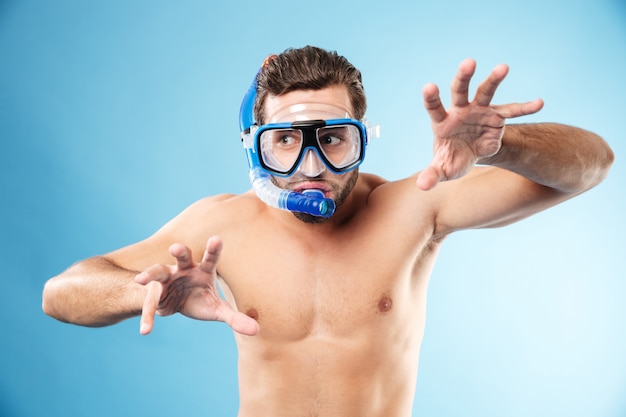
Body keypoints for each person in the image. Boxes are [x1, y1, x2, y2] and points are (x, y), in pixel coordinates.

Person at [42, 46, 614, 417]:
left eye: (334, 138)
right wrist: (138, 291)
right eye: (285, 141)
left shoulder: (415, 207)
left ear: (363, 136)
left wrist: (501, 145)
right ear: (255, 148)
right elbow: (59, 293)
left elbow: (594, 165)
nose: (311, 167)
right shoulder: (222, 225)